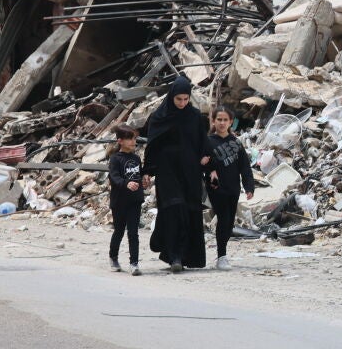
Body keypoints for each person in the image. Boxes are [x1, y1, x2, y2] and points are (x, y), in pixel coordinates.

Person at [143, 75, 210, 272]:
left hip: (190, 172)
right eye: (178, 99)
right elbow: (152, 146)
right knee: (174, 209)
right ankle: (175, 257)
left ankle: (183, 255)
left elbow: (203, 142)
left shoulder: (195, 116)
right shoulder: (159, 117)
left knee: (189, 211)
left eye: (186, 99)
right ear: (171, 96)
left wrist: (206, 159)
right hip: (167, 171)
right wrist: (147, 171)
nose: (182, 103)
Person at [205, 108, 255, 270]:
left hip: (233, 187)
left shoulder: (236, 143)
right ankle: (222, 256)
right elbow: (200, 163)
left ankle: (222, 254)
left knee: (229, 221)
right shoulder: (207, 142)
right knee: (223, 218)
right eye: (219, 119)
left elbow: (245, 167)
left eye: (225, 120)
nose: (222, 123)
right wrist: (208, 169)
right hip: (216, 187)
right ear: (213, 121)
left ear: (231, 122)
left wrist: (249, 187)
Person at [108, 124, 148, 276]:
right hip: (119, 202)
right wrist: (126, 183)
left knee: (133, 233)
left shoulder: (136, 158)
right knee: (119, 231)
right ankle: (113, 258)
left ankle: (134, 263)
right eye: (130, 139)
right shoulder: (115, 159)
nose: (133, 142)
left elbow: (139, 174)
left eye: (134, 139)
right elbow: (114, 177)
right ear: (120, 141)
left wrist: (144, 179)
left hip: (135, 201)